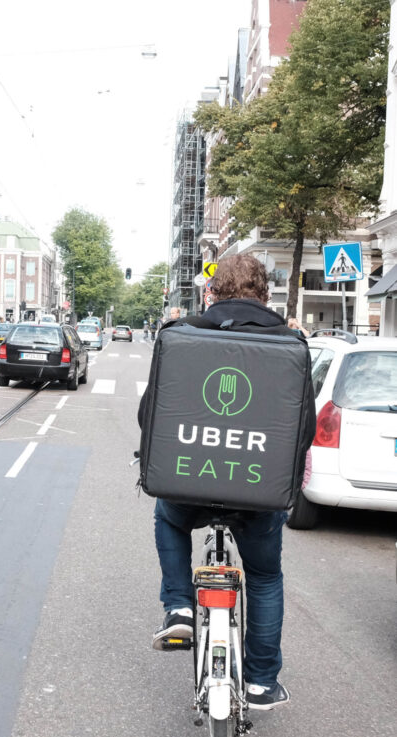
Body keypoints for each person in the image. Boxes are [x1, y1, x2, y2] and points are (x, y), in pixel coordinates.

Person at [139, 254, 316, 711]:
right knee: (263, 577)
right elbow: (305, 428)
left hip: (188, 488)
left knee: (169, 517)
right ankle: (260, 682)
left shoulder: (181, 337)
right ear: (265, 295)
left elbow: (149, 415)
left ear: (211, 293)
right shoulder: (291, 344)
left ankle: (179, 606)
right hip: (258, 493)